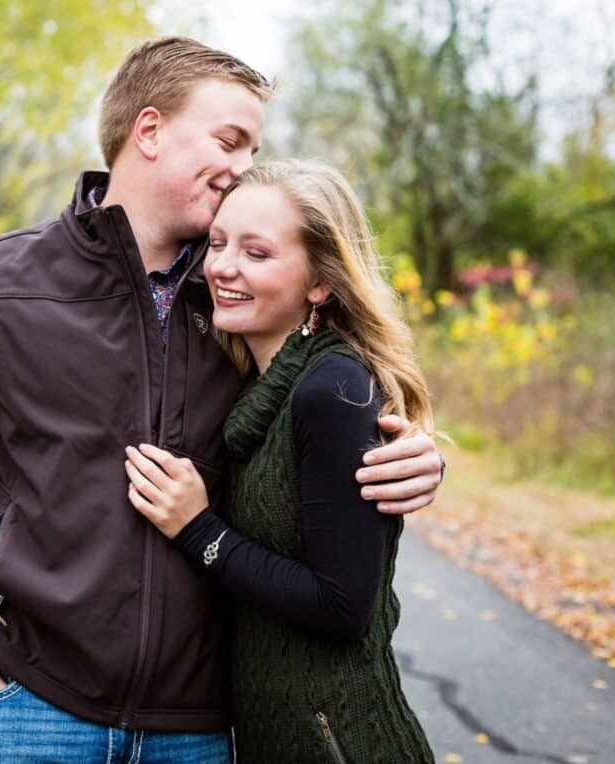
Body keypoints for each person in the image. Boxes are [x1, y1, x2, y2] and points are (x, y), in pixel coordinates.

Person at [0, 38, 445, 763]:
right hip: (25, 709)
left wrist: (414, 451)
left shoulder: (244, 296)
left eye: (254, 146)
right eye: (230, 140)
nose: (243, 166)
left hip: (199, 728)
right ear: (149, 131)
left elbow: (337, 396)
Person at [124, 159, 436, 762]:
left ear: (320, 282)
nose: (222, 267)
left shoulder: (332, 389)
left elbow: (342, 607)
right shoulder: (260, 390)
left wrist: (198, 530)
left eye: (258, 253)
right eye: (217, 243)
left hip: (340, 741)